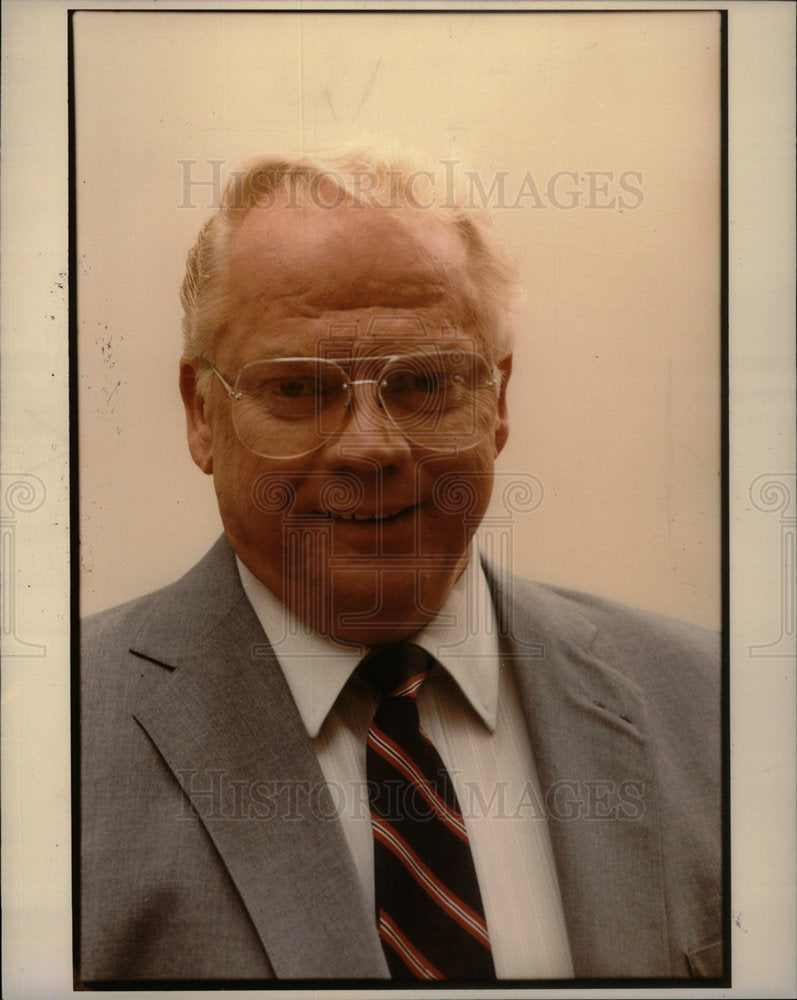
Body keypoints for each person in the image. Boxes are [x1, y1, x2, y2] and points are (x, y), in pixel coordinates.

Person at [79, 147, 722, 984]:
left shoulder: (717, 712)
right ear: (200, 415)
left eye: (424, 382)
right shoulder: (49, 739)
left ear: (498, 403)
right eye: (300, 390)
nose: (369, 446)